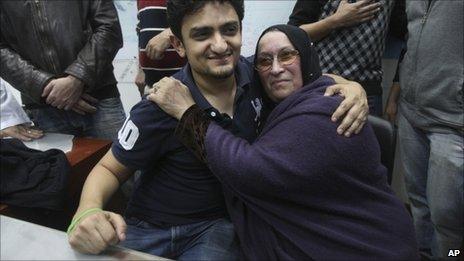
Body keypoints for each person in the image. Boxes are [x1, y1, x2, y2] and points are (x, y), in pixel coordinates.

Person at [67, 0, 368, 259]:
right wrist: (88, 211)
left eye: (229, 29)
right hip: (150, 226)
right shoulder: (161, 102)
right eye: (202, 34)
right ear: (179, 45)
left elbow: (309, 76)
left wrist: (351, 87)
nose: (221, 45)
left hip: (217, 225)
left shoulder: (257, 77)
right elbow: (109, 168)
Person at [149, 24, 419, 260]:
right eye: (265, 61)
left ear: (308, 58)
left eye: (287, 55)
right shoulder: (285, 100)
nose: (276, 68)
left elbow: (249, 171)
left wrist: (187, 112)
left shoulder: (326, 112)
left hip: (364, 248)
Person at [384, 1, 463, 258]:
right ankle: (421, 254)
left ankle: (451, 255)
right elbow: (410, 40)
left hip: (452, 121)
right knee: (418, 202)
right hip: (411, 113)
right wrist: (396, 90)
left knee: (447, 216)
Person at [0, 1, 126, 139]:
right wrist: (44, 85)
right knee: (60, 161)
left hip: (97, 97)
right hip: (43, 106)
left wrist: (77, 78)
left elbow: (109, 28)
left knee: (122, 159)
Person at [287, 0, 407, 116]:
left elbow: (407, 32)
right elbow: (292, 35)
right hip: (323, 86)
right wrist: (335, 21)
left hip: (368, 91)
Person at [134, 0, 186, 96]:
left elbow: (203, 16)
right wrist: (141, 69)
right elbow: (141, 28)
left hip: (186, 85)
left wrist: (170, 33)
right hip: (151, 86)